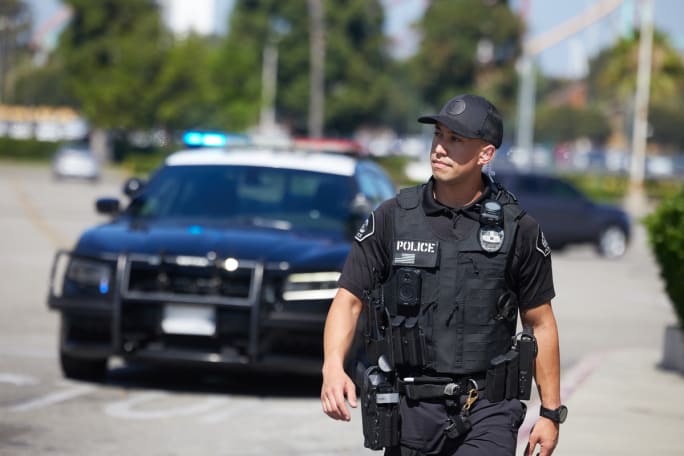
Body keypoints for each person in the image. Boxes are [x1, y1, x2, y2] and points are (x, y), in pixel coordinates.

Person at [321, 93, 565, 456]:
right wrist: (332, 366)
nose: (439, 148)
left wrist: (550, 413)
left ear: (485, 154)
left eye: (455, 140)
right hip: (410, 410)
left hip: (489, 409)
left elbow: (540, 322)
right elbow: (349, 299)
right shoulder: (392, 219)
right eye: (438, 135)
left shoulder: (519, 231)